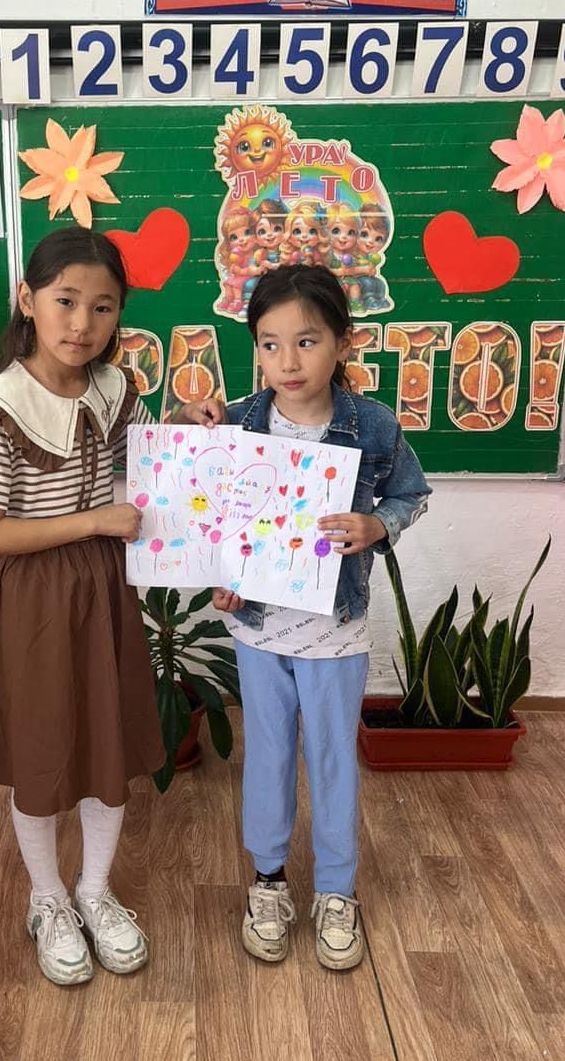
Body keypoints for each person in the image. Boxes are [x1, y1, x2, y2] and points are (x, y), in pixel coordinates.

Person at [175, 266, 430, 971]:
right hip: (258, 629)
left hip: (335, 632)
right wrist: (222, 576)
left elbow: (411, 494)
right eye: (270, 343)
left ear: (344, 343)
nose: (288, 361)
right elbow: (205, 508)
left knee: (331, 758)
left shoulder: (372, 425)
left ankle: (337, 891)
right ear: (255, 348)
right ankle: (268, 881)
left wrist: (377, 526)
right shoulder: (236, 421)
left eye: (307, 341)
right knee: (268, 753)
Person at [0, 227, 165, 986]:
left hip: (104, 589)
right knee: (41, 753)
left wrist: (190, 434)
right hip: (35, 598)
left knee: (107, 746)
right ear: (28, 299)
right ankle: (48, 898)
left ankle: (95, 891)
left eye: (103, 307)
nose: (82, 323)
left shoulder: (115, 390)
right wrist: (93, 521)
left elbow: (148, 465)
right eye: (66, 301)